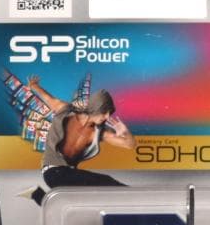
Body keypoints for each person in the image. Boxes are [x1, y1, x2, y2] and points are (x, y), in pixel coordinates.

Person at [20, 74, 135, 205]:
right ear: (95, 108)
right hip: (52, 171)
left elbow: (130, 145)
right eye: (104, 112)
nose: (107, 117)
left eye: (110, 113)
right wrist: (34, 86)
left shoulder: (100, 132)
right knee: (105, 181)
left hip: (70, 173)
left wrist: (126, 133)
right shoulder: (65, 110)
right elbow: (48, 98)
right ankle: (134, 197)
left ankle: (36, 194)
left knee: (79, 202)